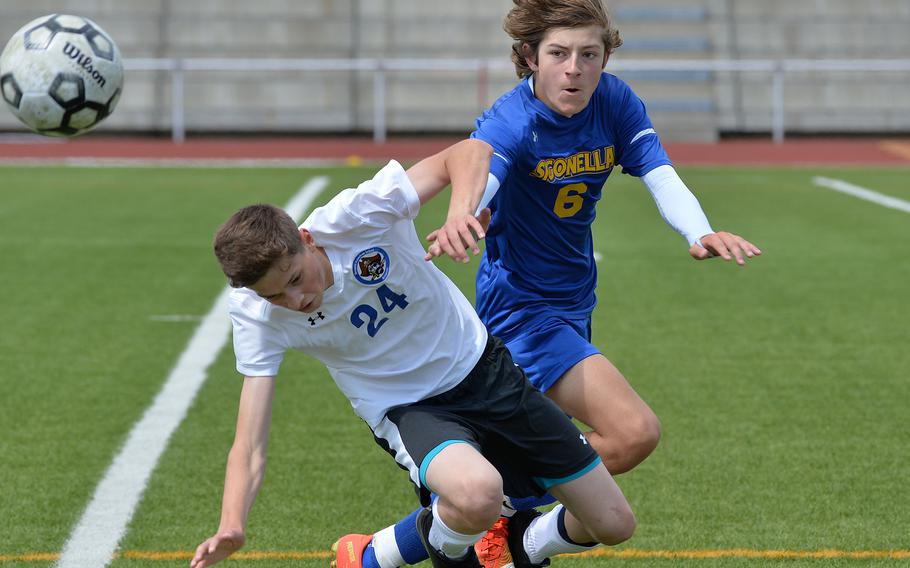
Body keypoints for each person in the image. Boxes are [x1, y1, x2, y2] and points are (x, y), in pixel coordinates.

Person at [334, 1, 762, 567]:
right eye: (559, 55)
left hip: (574, 299)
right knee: (632, 434)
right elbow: (482, 174)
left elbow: (659, 171)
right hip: (522, 311)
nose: (575, 69)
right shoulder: (513, 120)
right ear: (530, 58)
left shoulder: (614, 100)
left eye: (590, 55)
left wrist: (699, 230)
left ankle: (443, 543)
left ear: (606, 57)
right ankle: (486, 518)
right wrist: (468, 214)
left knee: (572, 467)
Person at [189, 140, 639, 568]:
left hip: (485, 369)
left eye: (294, 278)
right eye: (276, 297)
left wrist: (460, 214)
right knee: (479, 493)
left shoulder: (356, 215)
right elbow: (249, 441)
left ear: (307, 239)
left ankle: (521, 544)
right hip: (408, 408)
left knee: (613, 523)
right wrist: (233, 524)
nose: (295, 300)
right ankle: (449, 549)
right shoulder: (254, 315)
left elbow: (469, 153)